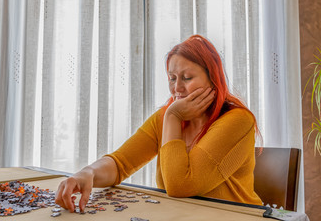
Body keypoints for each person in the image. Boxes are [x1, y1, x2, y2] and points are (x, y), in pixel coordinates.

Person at [55, 34, 263, 212]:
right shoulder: (166, 117)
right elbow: (120, 164)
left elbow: (180, 186)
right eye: (172, 78)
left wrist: (173, 117)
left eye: (187, 77)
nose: (177, 88)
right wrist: (88, 172)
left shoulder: (237, 120)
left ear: (213, 79)